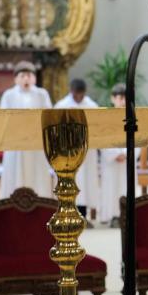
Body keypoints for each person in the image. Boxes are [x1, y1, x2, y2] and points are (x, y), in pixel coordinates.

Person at [0, 61, 53, 198]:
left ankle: (41, 201)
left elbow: (49, 116)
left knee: (38, 174)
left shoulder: (42, 94)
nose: (26, 79)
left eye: (29, 75)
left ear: (34, 78)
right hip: (15, 144)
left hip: (36, 144)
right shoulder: (9, 95)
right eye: (22, 76)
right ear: (16, 79)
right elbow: (3, 117)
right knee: (14, 174)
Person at [54, 78, 100, 218]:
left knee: (85, 183)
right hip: (68, 150)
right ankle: (69, 213)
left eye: (81, 94)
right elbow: (55, 127)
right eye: (76, 95)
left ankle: (84, 215)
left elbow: (98, 125)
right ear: (71, 92)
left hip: (86, 150)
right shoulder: (62, 105)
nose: (79, 97)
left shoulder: (91, 105)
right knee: (71, 180)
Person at [98, 83, 129, 225]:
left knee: (126, 187)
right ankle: (112, 216)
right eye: (120, 98)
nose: (123, 102)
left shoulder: (134, 116)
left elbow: (139, 138)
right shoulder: (106, 117)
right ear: (113, 99)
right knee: (110, 188)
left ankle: (126, 216)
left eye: (126, 98)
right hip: (111, 162)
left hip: (127, 161)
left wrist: (126, 153)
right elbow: (102, 138)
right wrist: (115, 154)